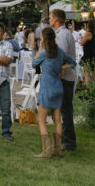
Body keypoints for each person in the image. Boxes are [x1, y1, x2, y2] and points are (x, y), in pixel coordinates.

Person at [32, 26, 77, 158]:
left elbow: (34, 64)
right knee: (57, 119)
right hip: (58, 87)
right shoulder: (60, 52)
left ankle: (47, 151)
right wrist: (61, 67)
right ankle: (57, 149)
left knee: (41, 120)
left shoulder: (44, 53)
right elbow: (73, 62)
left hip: (47, 87)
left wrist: (40, 48)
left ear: (44, 39)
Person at [51, 9, 78, 152]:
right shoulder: (63, 34)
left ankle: (69, 142)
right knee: (64, 108)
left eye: (50, 17)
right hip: (65, 76)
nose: (49, 20)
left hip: (65, 77)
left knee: (66, 109)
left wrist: (57, 75)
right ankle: (65, 139)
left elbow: (60, 58)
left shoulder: (62, 35)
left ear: (56, 19)